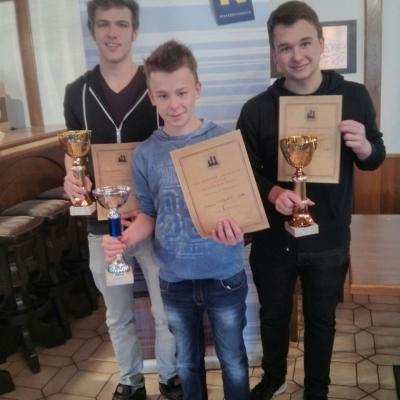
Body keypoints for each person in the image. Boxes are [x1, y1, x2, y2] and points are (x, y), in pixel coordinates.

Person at [236, 2, 386, 399]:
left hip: (329, 237)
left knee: (322, 320)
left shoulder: (353, 97)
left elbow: (375, 156)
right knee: (273, 317)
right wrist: (272, 192)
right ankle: (273, 378)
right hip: (272, 238)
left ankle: (317, 388)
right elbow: (243, 171)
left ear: (321, 43)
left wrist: (365, 146)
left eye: (305, 43)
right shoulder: (256, 110)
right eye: (285, 47)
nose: (296, 55)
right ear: (274, 53)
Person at [102, 40, 250, 400]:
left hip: (224, 274)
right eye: (164, 95)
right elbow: (149, 214)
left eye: (182, 92)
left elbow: (243, 210)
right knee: (187, 364)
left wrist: (239, 231)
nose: (174, 104)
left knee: (233, 361)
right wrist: (124, 240)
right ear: (152, 97)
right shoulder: (146, 154)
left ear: (197, 89)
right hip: (174, 280)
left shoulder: (225, 142)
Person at [62, 1, 181, 399]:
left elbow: (174, 146)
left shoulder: (156, 85)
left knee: (166, 312)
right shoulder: (77, 93)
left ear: (134, 31)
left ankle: (170, 379)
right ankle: (131, 382)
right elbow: (74, 154)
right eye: (103, 24)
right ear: (92, 30)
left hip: (155, 223)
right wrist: (71, 178)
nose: (112, 33)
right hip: (104, 227)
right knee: (117, 314)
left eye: (121, 24)